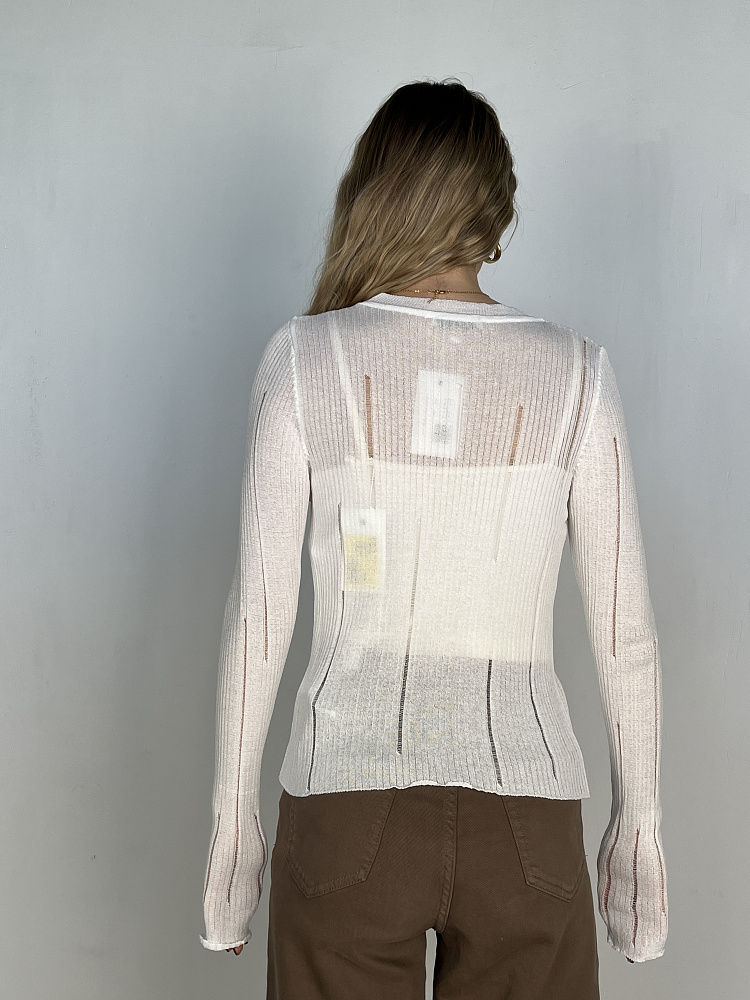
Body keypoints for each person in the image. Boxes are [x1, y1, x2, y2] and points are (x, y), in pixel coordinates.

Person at [199, 77, 668, 996]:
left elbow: (258, 617)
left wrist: (233, 841)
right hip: (528, 825)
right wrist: (638, 842)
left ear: (373, 192)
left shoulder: (305, 359)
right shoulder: (576, 374)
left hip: (344, 810)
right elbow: (627, 634)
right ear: (496, 211)